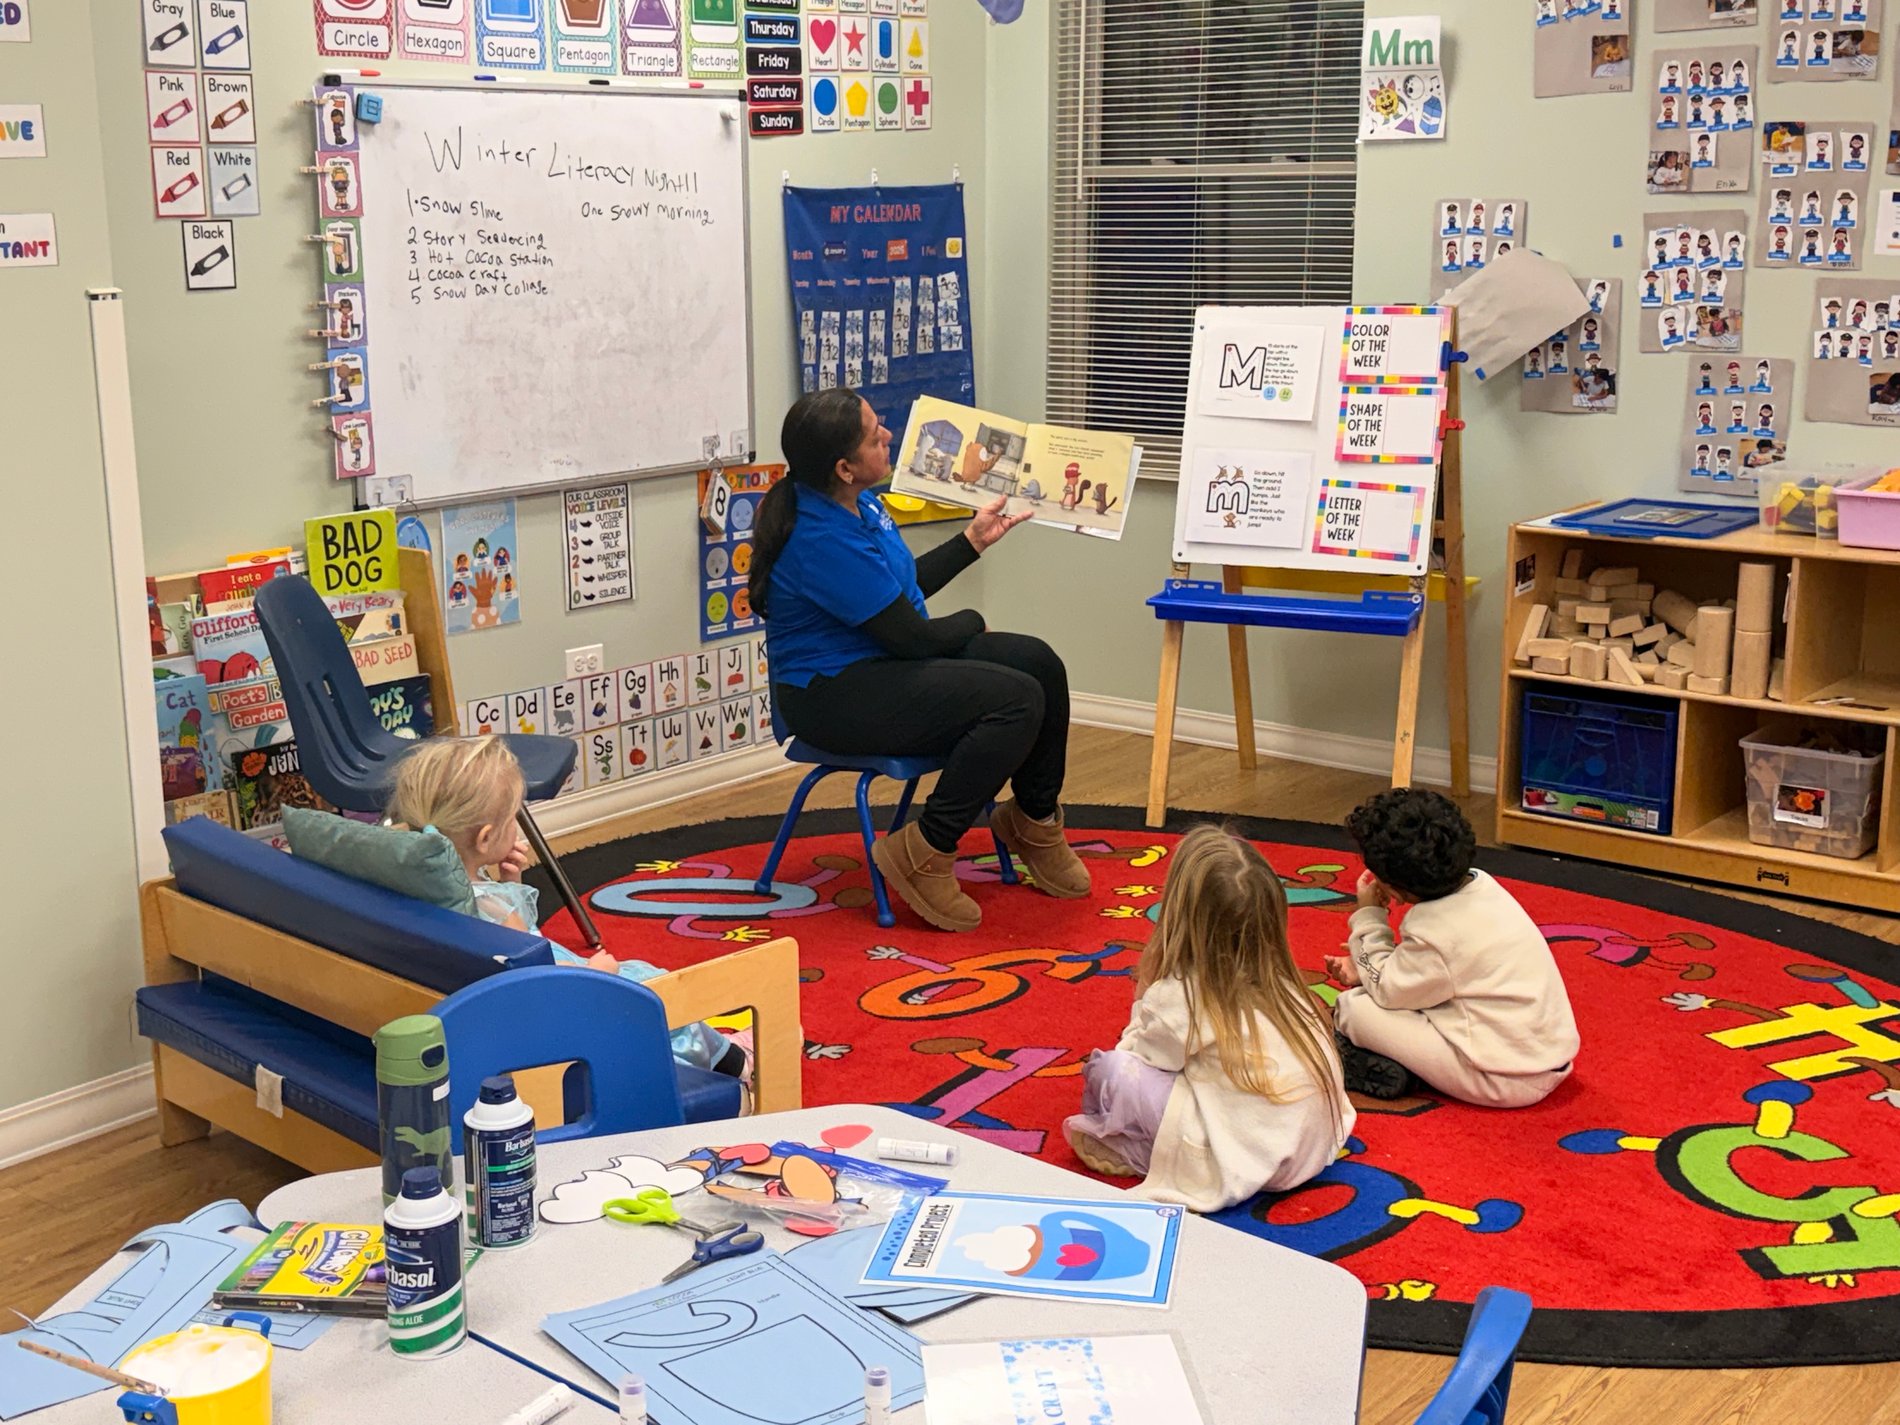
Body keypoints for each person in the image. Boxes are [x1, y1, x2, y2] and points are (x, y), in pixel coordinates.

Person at [750, 389, 1088, 932]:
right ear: (844, 468)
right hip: (829, 697)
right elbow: (912, 638)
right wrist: (974, 620)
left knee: (1038, 663)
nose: (887, 434)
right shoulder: (817, 537)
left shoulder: (861, 503)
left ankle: (1034, 819)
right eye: (873, 435)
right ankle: (926, 848)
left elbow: (898, 596)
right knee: (1015, 699)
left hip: (880, 661)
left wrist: (971, 541)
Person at [386, 737, 745, 1077]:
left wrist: (511, 884)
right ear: (485, 838)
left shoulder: (423, 889)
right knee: (654, 987)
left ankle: (723, 1053)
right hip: (561, 1015)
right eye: (512, 819)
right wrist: (599, 976)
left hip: (485, 1019)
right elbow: (541, 983)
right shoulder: (495, 915)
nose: (516, 829)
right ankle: (732, 1063)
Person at [1063, 826, 1353, 1211]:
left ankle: (1147, 1153)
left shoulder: (1184, 993)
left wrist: (1146, 992)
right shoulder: (1285, 984)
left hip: (1243, 1161)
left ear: (1178, 915)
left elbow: (1139, 1054)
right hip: (1308, 1149)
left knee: (1109, 1070)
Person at [1325, 789, 1580, 1107]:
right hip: (1545, 1059)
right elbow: (1444, 966)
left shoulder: (1435, 931)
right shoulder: (1483, 884)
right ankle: (1417, 1067)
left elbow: (1387, 990)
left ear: (1395, 890)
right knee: (1395, 992)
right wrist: (1367, 968)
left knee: (1354, 1007)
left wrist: (1369, 914)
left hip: (1501, 1079)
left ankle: (1402, 1070)